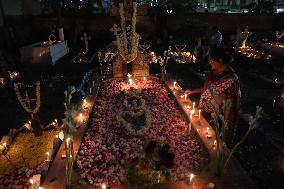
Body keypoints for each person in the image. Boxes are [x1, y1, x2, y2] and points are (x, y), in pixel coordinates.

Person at [185, 47, 241, 147]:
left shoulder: (230, 79)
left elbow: (229, 104)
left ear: (220, 61)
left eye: (211, 60)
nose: (209, 62)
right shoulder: (214, 71)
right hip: (205, 111)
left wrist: (225, 125)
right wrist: (193, 91)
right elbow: (208, 89)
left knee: (211, 142)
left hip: (216, 117)